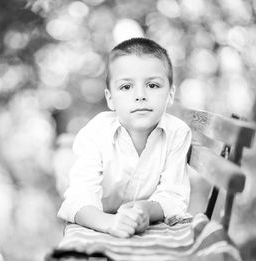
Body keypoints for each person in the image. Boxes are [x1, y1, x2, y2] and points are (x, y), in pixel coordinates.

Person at [57, 37, 192, 238]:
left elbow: (173, 196)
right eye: (126, 87)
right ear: (110, 98)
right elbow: (78, 198)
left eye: (153, 85)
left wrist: (146, 209)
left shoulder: (177, 133)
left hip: (141, 218)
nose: (140, 95)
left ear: (170, 95)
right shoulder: (96, 132)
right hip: (98, 212)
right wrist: (111, 223)